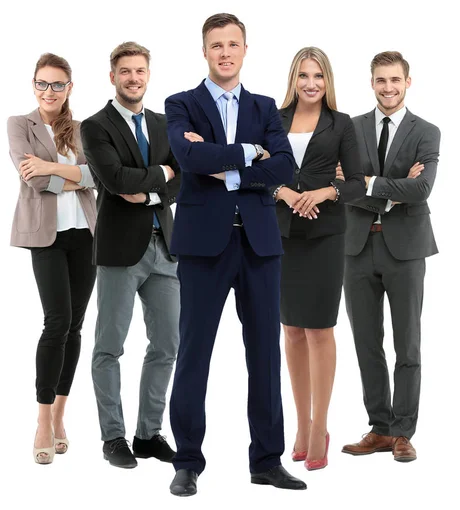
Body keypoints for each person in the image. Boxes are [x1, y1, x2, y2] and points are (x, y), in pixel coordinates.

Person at [165, 13, 306, 497]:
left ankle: (267, 460)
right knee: (194, 354)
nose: (225, 52)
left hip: (260, 245)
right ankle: (186, 462)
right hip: (203, 247)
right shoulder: (180, 104)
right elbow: (189, 160)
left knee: (265, 356)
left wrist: (224, 164)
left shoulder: (267, 107)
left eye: (233, 44)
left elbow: (284, 167)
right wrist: (250, 153)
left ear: (245, 49)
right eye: (216, 45)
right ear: (204, 52)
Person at [80, 42, 181, 469]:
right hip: (121, 251)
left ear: (148, 74)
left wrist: (151, 187)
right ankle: (113, 437)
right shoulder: (95, 126)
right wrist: (160, 176)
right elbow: (115, 179)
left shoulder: (163, 123)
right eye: (125, 71)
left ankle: (147, 433)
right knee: (109, 346)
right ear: (113, 77)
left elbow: (184, 181)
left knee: (167, 345)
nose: (133, 78)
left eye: (140, 71)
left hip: (166, 249)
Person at [342, 51, 440, 462]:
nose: (388, 88)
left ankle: (403, 432)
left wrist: (367, 183)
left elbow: (422, 190)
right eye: (381, 80)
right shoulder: (350, 128)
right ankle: (379, 428)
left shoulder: (427, 132)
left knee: (408, 345)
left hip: (406, 251)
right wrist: (389, 192)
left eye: (395, 80)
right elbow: (340, 185)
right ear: (371, 83)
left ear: (407, 82)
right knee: (366, 343)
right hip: (356, 247)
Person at [273, 47, 365, 471]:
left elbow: (358, 183)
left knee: (319, 330)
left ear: (327, 82)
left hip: (326, 235)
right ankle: (301, 422)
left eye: (319, 76)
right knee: (291, 329)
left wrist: (325, 192)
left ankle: (320, 427)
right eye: (304, 75)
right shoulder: (271, 119)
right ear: (293, 78)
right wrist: (287, 193)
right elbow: (258, 173)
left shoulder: (341, 124)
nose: (311, 83)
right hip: (281, 234)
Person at [7, 53, 97, 464]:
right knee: (56, 321)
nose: (49, 91)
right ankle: (42, 419)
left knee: (75, 326)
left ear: (69, 88)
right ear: (34, 85)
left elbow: (99, 178)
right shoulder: (19, 125)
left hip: (87, 235)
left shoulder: (82, 129)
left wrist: (65, 171)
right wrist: (70, 174)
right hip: (46, 237)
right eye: (42, 83)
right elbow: (34, 178)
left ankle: (61, 414)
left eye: (57, 84)